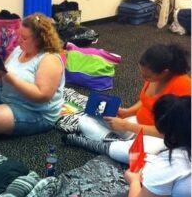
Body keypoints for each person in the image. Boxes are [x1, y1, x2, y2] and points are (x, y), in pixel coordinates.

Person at [63, 44, 191, 163]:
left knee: (129, 154)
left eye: (147, 77)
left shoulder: (183, 86)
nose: (143, 79)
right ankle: (114, 143)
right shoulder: (153, 77)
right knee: (84, 121)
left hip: (159, 136)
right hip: (137, 125)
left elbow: (170, 132)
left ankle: (106, 145)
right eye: (142, 74)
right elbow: (145, 100)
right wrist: (127, 112)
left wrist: (127, 126)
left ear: (165, 72)